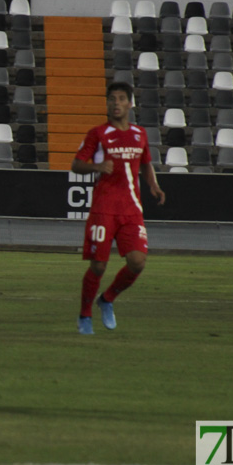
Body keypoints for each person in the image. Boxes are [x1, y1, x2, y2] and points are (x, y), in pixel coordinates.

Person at [71, 81, 165, 335]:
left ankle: (108, 298)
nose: (116, 103)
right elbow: (76, 164)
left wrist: (154, 185)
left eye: (121, 98)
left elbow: (145, 164)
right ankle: (85, 314)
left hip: (132, 209)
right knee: (98, 266)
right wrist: (96, 167)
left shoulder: (140, 134)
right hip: (103, 209)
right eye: (111, 98)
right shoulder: (98, 134)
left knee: (137, 262)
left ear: (130, 103)